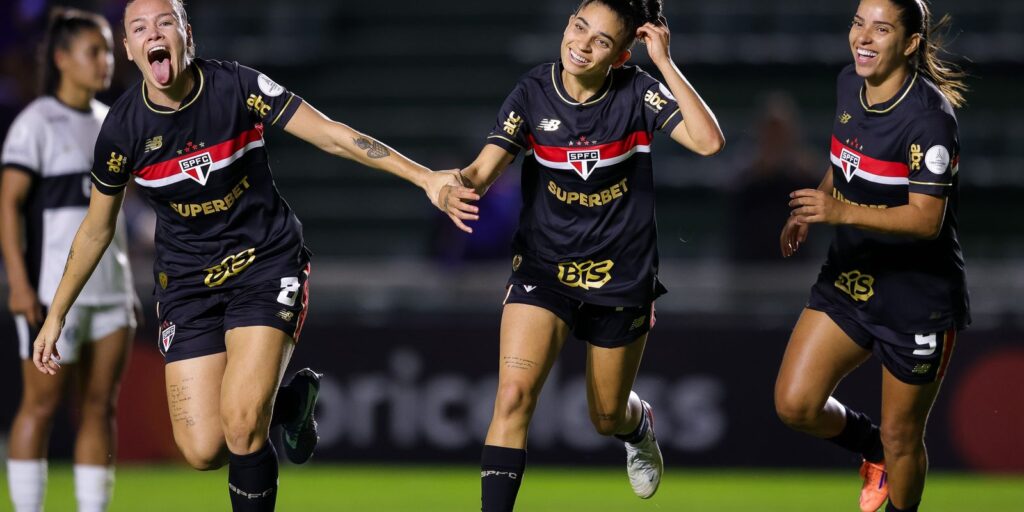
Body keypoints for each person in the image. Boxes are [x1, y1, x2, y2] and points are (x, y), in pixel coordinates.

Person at [30, 0, 466, 510]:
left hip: (265, 266)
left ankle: (262, 417)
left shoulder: (237, 86)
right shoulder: (122, 130)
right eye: (140, 27)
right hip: (187, 286)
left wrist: (424, 177)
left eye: (166, 22)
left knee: (241, 425)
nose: (154, 34)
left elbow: (330, 135)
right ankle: (290, 404)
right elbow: (96, 229)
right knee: (202, 449)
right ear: (129, 48)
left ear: (187, 34)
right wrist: (56, 313)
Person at [436, 1, 724, 509]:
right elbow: (480, 172)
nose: (581, 44)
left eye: (601, 41)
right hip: (544, 268)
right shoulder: (533, 90)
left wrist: (664, 62)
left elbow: (708, 143)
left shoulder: (638, 91)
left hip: (622, 274)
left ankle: (638, 427)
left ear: (620, 56)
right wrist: (446, 184)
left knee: (607, 416)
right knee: (513, 396)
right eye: (578, 27)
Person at [774, 1, 968, 511]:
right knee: (795, 404)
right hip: (851, 276)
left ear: (909, 43)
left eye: (881, 28)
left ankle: (894, 467)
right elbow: (846, 161)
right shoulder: (849, 83)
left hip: (916, 297)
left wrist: (838, 211)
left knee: (905, 436)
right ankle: (872, 448)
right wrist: (813, 207)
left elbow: (927, 220)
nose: (863, 36)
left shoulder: (930, 119)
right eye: (858, 23)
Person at [1, 9, 136, 512]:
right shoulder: (36, 123)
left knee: (100, 408)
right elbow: (8, 205)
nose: (106, 61)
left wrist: (128, 286)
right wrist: (18, 283)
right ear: (61, 59)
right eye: (93, 51)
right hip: (51, 294)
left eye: (107, 51)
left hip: (112, 293)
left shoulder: (113, 121)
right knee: (40, 406)